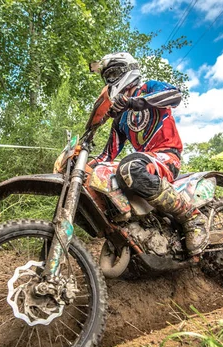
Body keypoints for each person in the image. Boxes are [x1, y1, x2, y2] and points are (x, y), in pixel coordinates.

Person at [89, 52, 208, 256]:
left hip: (167, 155)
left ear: (129, 70)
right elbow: (107, 155)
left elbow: (175, 96)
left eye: (114, 73)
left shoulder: (150, 88)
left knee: (129, 167)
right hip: (146, 162)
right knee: (101, 172)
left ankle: (193, 217)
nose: (111, 80)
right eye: (107, 77)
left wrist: (135, 102)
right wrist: (83, 164)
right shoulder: (121, 119)